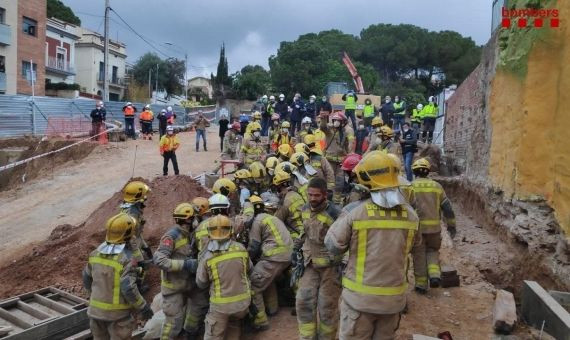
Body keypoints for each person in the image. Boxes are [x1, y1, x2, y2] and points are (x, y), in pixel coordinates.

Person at [324, 151, 421, 340]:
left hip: (359, 302)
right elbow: (414, 246)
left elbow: (332, 246)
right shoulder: (411, 216)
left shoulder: (356, 213)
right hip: (393, 303)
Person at [82, 213, 153, 340]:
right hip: (117, 317)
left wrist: (92, 296)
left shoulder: (95, 254)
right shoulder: (126, 260)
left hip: (95, 313)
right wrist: (143, 306)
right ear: (128, 234)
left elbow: (86, 277)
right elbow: (128, 288)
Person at [294, 177, 342, 340]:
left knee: (327, 307)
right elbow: (305, 231)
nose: (313, 199)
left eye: (317, 195)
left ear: (324, 195)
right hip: (309, 264)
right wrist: (297, 246)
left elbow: (345, 241)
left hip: (330, 268)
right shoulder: (305, 209)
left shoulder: (336, 213)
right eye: (310, 195)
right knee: (303, 301)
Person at [195, 215, 253, 340]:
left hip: (221, 307)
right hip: (242, 305)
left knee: (213, 334)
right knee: (234, 325)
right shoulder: (241, 249)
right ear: (231, 231)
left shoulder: (208, 257)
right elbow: (249, 270)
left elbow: (201, 283)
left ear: (210, 233)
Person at [154, 203, 202, 339]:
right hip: (174, 287)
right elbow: (159, 260)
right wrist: (185, 265)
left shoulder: (190, 234)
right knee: (174, 322)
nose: (196, 220)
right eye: (194, 217)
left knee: (200, 304)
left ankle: (189, 333)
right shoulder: (171, 237)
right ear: (188, 220)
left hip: (190, 283)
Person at [246, 195, 293, 330]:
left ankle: (260, 322)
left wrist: (244, 259)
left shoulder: (257, 221)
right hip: (286, 256)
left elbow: (254, 246)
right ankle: (273, 309)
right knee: (267, 280)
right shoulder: (270, 217)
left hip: (274, 257)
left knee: (254, 284)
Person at [411, 158, 457, 293]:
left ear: (414, 172)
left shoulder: (410, 187)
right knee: (432, 251)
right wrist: (451, 226)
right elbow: (447, 208)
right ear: (428, 172)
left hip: (417, 230)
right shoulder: (437, 186)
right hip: (434, 230)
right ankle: (435, 276)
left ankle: (421, 285)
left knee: (419, 255)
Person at [320, 112, 355, 205]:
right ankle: (326, 202)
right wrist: (323, 119)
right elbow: (323, 127)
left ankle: (336, 203)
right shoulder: (330, 131)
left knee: (339, 184)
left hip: (340, 163)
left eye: (338, 121)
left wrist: (350, 153)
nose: (336, 122)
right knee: (329, 182)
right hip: (329, 162)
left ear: (343, 122)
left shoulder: (346, 132)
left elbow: (350, 144)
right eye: (335, 120)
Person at [273, 170, 305, 240]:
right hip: (306, 229)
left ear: (279, 187)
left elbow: (276, 220)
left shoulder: (284, 202)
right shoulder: (297, 194)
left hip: (297, 235)